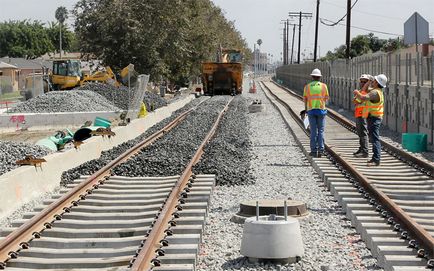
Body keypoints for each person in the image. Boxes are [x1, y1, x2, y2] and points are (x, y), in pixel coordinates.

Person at [353, 74, 387, 166]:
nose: (373, 82)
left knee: (375, 139)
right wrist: (368, 82)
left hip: (374, 118)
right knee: (373, 138)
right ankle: (375, 158)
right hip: (373, 117)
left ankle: (376, 159)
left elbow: (363, 97)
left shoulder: (375, 93)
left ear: (377, 82)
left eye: (374, 81)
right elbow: (364, 90)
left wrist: (357, 92)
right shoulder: (376, 91)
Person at [303, 68, 329, 158]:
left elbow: (305, 99)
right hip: (321, 110)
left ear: (312, 77)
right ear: (319, 77)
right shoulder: (324, 86)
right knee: (321, 131)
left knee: (313, 131)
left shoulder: (307, 87)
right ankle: (321, 150)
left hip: (311, 110)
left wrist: (306, 109)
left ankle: (314, 151)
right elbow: (326, 98)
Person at [352, 74, 372, 158]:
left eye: (365, 82)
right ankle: (361, 148)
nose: (363, 83)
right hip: (359, 114)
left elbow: (359, 100)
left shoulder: (369, 91)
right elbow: (355, 101)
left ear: (368, 83)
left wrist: (358, 94)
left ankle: (365, 151)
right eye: (361, 81)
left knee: (363, 133)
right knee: (360, 133)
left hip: (364, 114)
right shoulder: (361, 91)